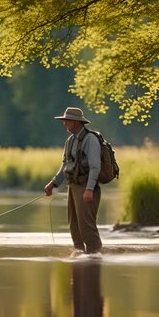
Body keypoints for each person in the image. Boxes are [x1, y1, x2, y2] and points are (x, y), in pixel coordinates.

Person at [44, 107, 102, 256]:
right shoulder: (70, 141)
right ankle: (80, 257)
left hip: (87, 188)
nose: (64, 124)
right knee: (74, 225)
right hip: (74, 187)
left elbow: (95, 166)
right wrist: (53, 183)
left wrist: (89, 189)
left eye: (67, 121)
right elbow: (64, 165)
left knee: (87, 227)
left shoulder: (91, 139)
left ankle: (95, 256)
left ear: (76, 123)